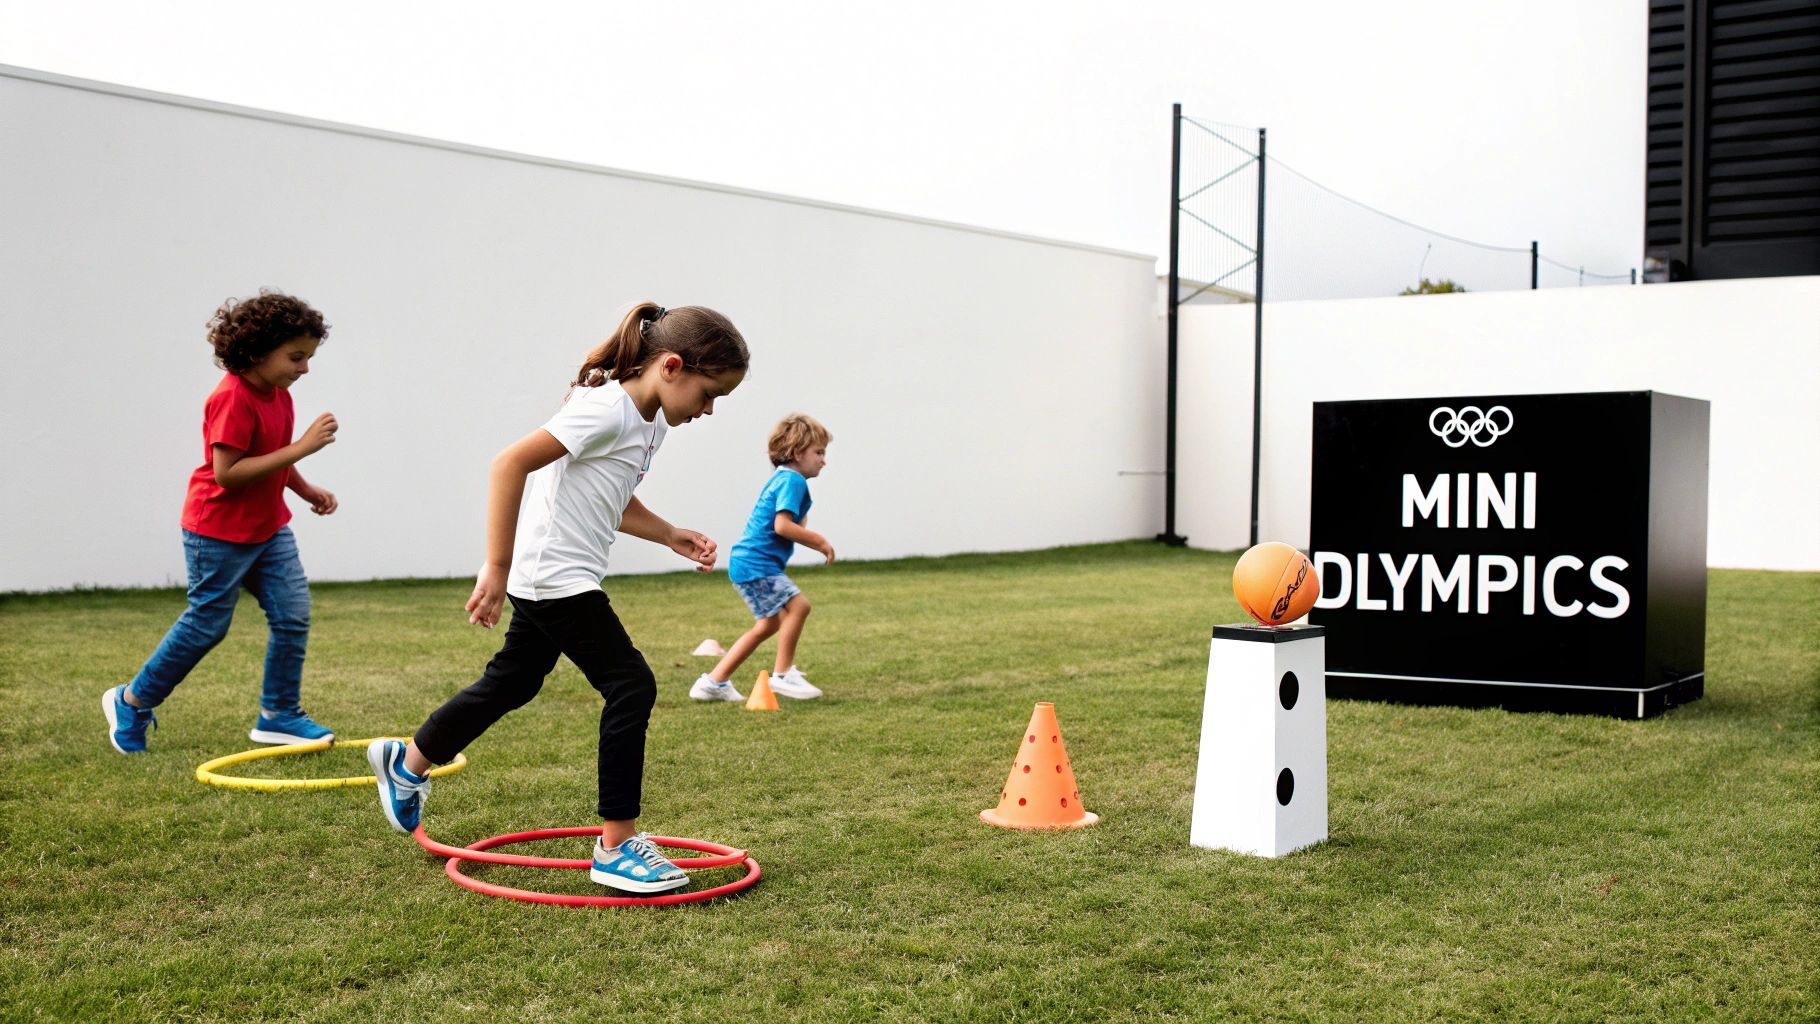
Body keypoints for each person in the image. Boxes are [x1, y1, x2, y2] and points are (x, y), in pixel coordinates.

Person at [369, 302, 748, 894]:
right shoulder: (604, 408)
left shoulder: (646, 420)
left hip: (565, 574)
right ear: (671, 366)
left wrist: (669, 533)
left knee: (514, 680)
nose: (708, 409)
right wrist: (496, 565)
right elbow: (509, 464)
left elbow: (611, 498)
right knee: (632, 685)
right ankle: (617, 847)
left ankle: (408, 763)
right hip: (555, 575)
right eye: (709, 394)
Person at [104, 290, 340, 754]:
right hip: (217, 532)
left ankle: (278, 714)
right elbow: (227, 473)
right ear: (257, 352)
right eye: (296, 357)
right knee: (206, 626)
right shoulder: (231, 398)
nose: (305, 368)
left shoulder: (278, 394)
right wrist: (304, 448)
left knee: (292, 615)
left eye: (308, 357)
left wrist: (305, 487)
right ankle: (131, 701)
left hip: (268, 527)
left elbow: (270, 456)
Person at [692, 414, 834, 703]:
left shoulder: (784, 479)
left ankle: (714, 682)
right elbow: (782, 526)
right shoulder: (792, 481)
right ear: (797, 453)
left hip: (748, 563)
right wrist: (820, 542)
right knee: (799, 607)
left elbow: (787, 525)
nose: (823, 460)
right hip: (758, 564)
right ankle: (782, 675)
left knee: (768, 625)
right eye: (819, 452)